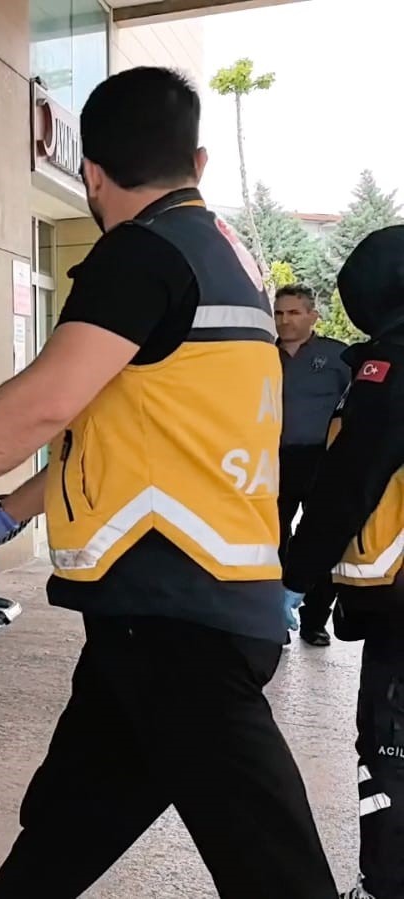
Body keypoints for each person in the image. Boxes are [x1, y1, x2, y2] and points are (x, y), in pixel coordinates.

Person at [0, 66, 336, 897]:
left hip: (179, 618)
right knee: (66, 829)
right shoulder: (227, 257)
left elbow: (46, 401)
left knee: (273, 868)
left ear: (92, 175)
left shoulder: (141, 252)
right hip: (165, 612)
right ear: (198, 161)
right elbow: (119, 425)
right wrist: (7, 512)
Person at [283, 225, 404, 899]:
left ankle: (386, 885)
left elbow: (350, 480)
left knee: (392, 745)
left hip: (400, 605)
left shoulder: (390, 367)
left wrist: (295, 578)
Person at [275, 283, 351, 645]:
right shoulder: (259, 354)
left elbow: (357, 405)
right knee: (271, 538)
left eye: (294, 312)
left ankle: (314, 620)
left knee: (320, 538)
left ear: (313, 316)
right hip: (271, 459)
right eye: (279, 313)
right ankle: (273, 618)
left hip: (321, 460)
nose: (285, 320)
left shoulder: (337, 356)